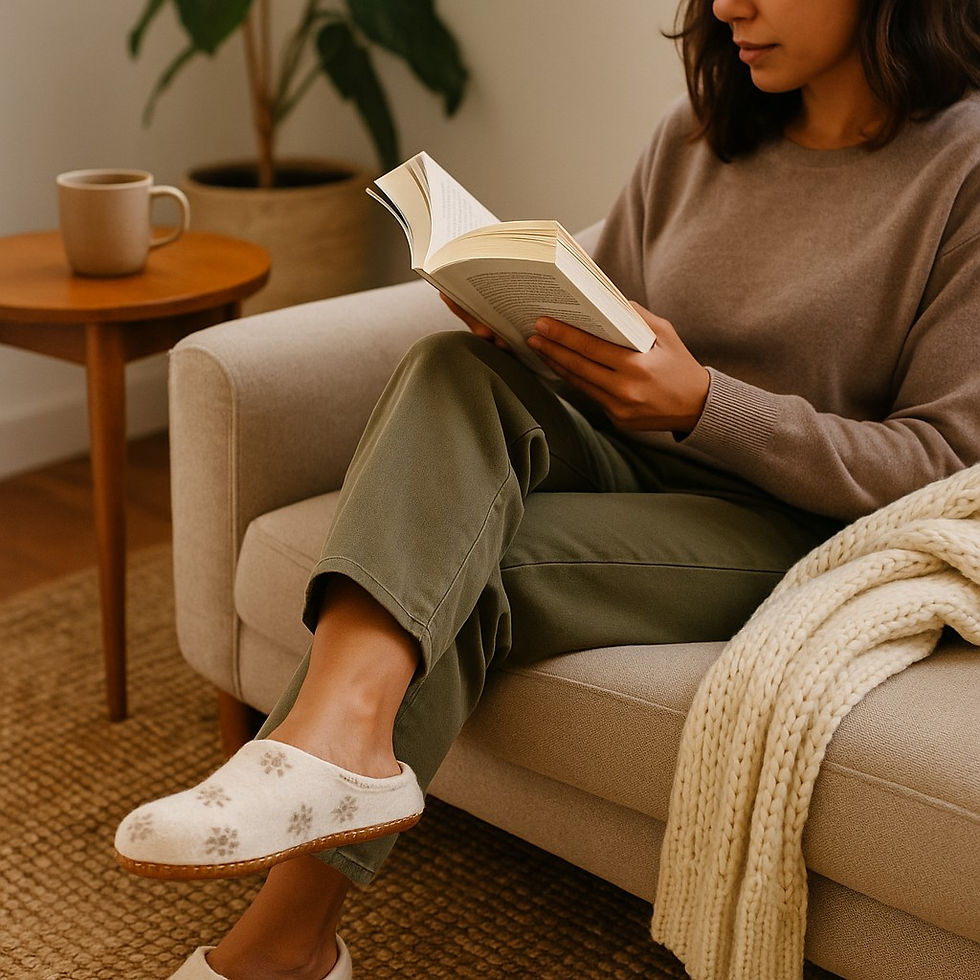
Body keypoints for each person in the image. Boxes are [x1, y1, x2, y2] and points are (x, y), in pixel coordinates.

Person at [115, 0, 980, 977]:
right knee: (452, 369)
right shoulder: (696, 133)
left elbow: (941, 462)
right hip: (632, 459)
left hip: (794, 525)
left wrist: (704, 402)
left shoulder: (961, 169)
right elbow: (608, 318)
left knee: (442, 571)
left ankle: (282, 939)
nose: (727, 6)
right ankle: (336, 739)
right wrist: (522, 319)